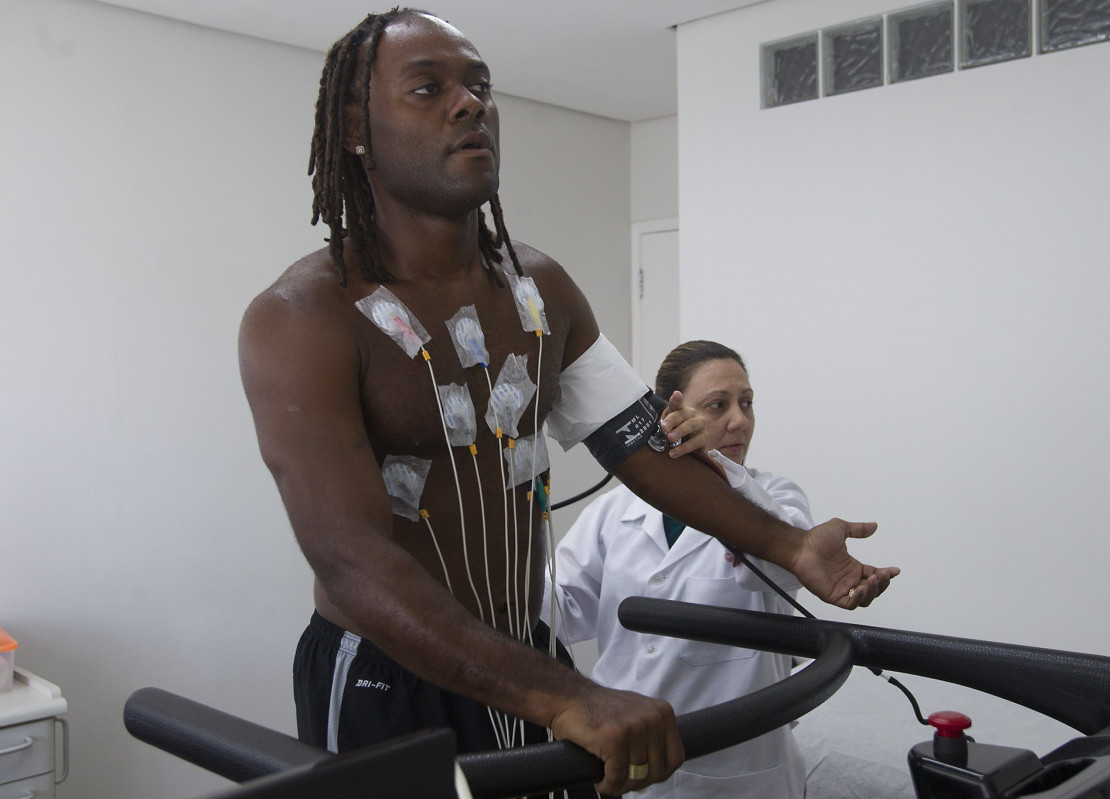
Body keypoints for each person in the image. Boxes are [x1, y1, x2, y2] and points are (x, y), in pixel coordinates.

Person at [237, 8, 899, 797]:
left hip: (523, 651)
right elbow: (353, 565)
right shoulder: (302, 318)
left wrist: (790, 547)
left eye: (480, 86)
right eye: (428, 88)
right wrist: (571, 695)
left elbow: (641, 449)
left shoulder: (539, 289)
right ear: (355, 128)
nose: (469, 104)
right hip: (390, 671)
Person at [545, 341, 816, 797]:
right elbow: (562, 609)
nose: (740, 420)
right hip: (627, 769)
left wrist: (715, 472)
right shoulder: (615, 511)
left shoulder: (775, 500)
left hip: (737, 774)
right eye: (718, 405)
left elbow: (786, 566)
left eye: (746, 403)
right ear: (668, 414)